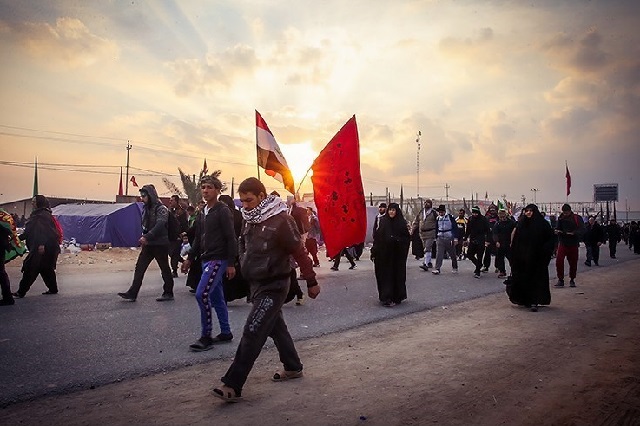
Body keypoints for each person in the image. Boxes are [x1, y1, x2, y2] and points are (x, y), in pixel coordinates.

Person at [213, 177, 320, 403]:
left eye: (249, 200)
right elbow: (243, 243)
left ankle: (232, 383)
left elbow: (300, 252)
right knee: (275, 328)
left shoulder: (282, 220)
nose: (245, 206)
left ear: (262, 196)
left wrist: (311, 281)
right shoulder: (248, 218)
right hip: (256, 284)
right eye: (242, 202)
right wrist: (241, 260)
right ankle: (293, 367)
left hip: (276, 284)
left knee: (253, 330)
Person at [181, 176, 237, 351]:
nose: (205, 191)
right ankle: (226, 332)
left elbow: (231, 238)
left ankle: (206, 336)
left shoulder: (222, 211)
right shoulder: (203, 212)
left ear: (218, 190)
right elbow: (198, 238)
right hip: (206, 259)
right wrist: (190, 258)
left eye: (209, 187)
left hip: (217, 259)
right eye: (203, 187)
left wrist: (230, 263)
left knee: (201, 294)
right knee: (216, 297)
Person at [118, 185, 174, 302]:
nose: (142, 198)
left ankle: (168, 292)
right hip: (149, 244)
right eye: (141, 196)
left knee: (164, 269)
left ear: (150, 195)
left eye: (144, 196)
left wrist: (147, 236)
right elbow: (145, 225)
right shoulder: (146, 209)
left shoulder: (161, 208)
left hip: (160, 244)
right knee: (140, 268)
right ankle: (133, 292)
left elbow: (160, 224)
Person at [507, 204, 555, 312]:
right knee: (523, 279)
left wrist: (544, 251)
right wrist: (514, 255)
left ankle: (534, 301)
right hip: (522, 259)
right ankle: (525, 300)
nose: (528, 213)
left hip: (537, 259)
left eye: (531, 211)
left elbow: (550, 239)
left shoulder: (542, 224)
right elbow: (516, 241)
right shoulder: (522, 224)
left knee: (535, 280)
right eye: (526, 211)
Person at [13, 195, 62, 298]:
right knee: (46, 268)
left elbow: (45, 232)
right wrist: (16, 239)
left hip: (43, 247)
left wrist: (41, 244)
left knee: (30, 268)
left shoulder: (42, 215)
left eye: (34, 201)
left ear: (39, 202)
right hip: (44, 247)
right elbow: (30, 232)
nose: (33, 203)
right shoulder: (40, 214)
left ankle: (21, 292)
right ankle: (53, 289)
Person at [371, 202, 410, 306]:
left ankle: (396, 296)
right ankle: (386, 297)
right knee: (385, 276)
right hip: (384, 256)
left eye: (393, 210)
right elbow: (378, 238)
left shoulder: (401, 223)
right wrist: (374, 251)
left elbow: (406, 239)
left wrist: (397, 241)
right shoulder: (383, 222)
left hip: (396, 256)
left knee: (396, 276)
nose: (391, 212)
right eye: (390, 210)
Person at [554, 203, 584, 288]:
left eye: (566, 212)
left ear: (570, 211)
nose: (565, 214)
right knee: (559, 261)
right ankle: (560, 279)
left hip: (573, 243)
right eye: (564, 212)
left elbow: (582, 229)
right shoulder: (560, 218)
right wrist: (557, 231)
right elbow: (558, 228)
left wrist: (574, 233)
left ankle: (572, 279)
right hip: (563, 242)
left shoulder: (577, 218)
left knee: (573, 262)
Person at [1, 208, 26, 305]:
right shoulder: (4, 215)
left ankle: (8, 298)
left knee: (1, 273)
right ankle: (8, 297)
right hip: (3, 245)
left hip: (1, 245)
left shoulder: (2, 216)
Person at [464, 206, 491, 279]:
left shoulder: (483, 219)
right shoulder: (470, 219)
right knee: (469, 254)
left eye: (476, 213)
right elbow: (468, 230)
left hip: (481, 240)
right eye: (473, 213)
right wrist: (465, 238)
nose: (475, 215)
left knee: (480, 256)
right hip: (473, 240)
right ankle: (478, 265)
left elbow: (488, 231)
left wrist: (488, 240)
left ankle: (478, 271)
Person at [431, 205, 459, 275]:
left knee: (452, 253)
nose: (440, 213)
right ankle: (437, 268)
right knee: (439, 254)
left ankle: (455, 267)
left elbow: (455, 227)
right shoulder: (438, 218)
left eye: (441, 212)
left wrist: (455, 238)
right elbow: (436, 228)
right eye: (439, 212)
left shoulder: (450, 217)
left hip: (449, 237)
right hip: (440, 237)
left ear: (444, 211)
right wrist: (436, 237)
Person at [412, 198, 438, 271]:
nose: (426, 204)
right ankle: (429, 262)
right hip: (422, 233)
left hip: (431, 232)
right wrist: (412, 230)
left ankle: (425, 264)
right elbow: (416, 221)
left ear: (431, 204)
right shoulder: (421, 212)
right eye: (425, 203)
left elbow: (438, 221)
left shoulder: (433, 213)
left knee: (427, 248)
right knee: (425, 248)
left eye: (428, 203)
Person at [168, 195, 189, 278]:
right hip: (170, 236)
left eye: (172, 200)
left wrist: (183, 235)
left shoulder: (181, 212)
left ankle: (174, 271)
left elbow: (184, 225)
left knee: (174, 254)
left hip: (178, 236)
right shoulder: (170, 211)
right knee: (171, 253)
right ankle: (185, 262)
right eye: (170, 200)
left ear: (177, 202)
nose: (170, 202)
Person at [493, 209, 516, 278]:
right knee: (500, 258)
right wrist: (496, 241)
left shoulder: (511, 223)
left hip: (509, 243)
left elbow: (515, 232)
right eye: (501, 217)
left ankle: (514, 271)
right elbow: (495, 233)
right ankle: (502, 271)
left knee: (511, 258)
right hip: (500, 243)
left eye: (503, 217)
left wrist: (513, 242)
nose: (502, 218)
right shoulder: (497, 224)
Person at [481, 205, 499, 273]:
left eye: (493, 210)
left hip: (497, 238)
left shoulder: (498, 217)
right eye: (491, 210)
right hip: (489, 238)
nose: (492, 211)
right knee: (487, 252)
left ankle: (498, 267)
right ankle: (486, 267)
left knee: (498, 253)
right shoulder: (486, 218)